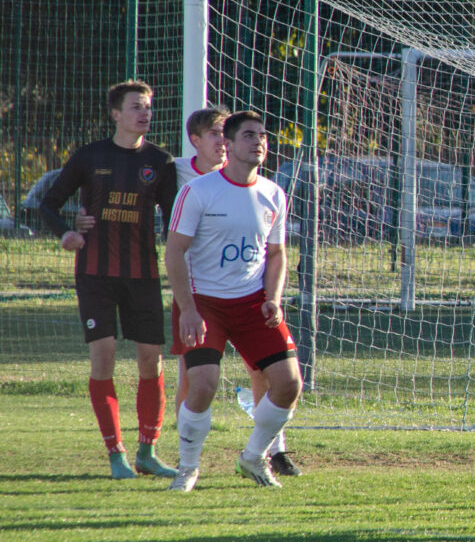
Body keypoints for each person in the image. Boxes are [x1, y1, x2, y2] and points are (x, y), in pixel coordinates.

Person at [40, 79, 178, 479]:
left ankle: (147, 451)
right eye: (136, 106)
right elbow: (49, 204)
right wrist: (67, 232)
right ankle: (115, 453)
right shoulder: (90, 156)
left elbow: (173, 223)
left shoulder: (161, 162)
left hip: (143, 275)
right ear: (116, 113)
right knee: (103, 356)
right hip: (95, 274)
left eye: (149, 106)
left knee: (150, 361)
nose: (145, 113)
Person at [164, 111, 302, 491]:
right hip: (203, 303)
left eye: (263, 136)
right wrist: (188, 309)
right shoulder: (200, 191)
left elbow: (276, 254)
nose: (258, 142)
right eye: (248, 135)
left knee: (289, 384)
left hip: (253, 302)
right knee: (203, 385)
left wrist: (273, 297)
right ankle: (188, 467)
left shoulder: (274, 193)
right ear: (228, 143)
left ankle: (254, 457)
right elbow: (175, 251)